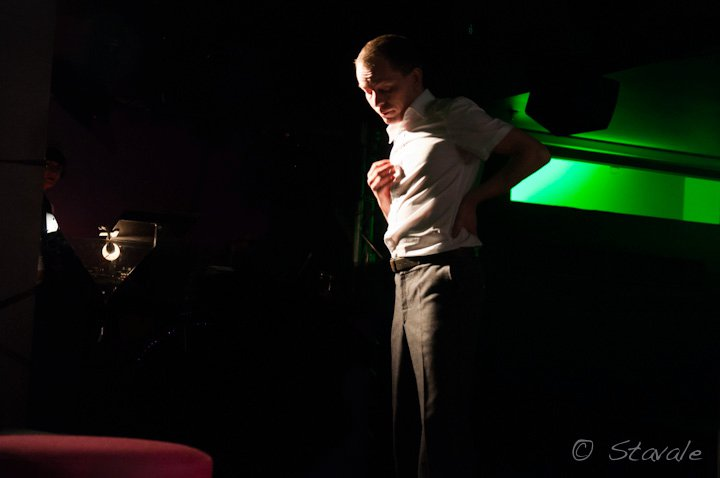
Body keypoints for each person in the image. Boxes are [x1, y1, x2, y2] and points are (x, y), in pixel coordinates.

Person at [354, 34, 551, 477]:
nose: (376, 100)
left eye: (385, 88)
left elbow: (534, 153)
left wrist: (476, 198)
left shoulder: (451, 114)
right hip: (405, 274)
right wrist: (384, 196)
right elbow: (404, 228)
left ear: (415, 78)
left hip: (443, 273)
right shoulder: (400, 136)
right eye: (367, 91)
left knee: (437, 418)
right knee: (404, 413)